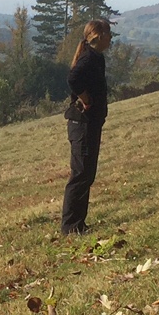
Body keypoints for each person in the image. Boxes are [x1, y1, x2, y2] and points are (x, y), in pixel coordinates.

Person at [61, 19, 112, 235]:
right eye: (109, 34)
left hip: (89, 124)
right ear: (99, 36)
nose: (111, 39)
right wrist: (84, 98)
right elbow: (73, 78)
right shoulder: (89, 58)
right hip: (81, 125)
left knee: (87, 174)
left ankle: (78, 224)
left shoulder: (96, 57)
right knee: (81, 174)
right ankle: (71, 227)